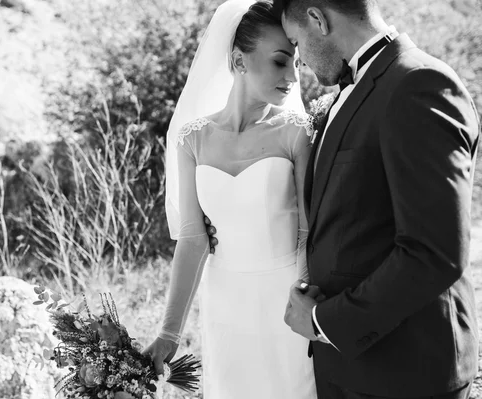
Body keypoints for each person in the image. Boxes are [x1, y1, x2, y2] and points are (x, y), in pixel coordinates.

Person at [275, 0, 480, 398]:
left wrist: (323, 321)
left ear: (318, 19)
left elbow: (434, 252)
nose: (299, 62)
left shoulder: (419, 84)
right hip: (353, 366)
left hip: (406, 371)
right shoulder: (357, 89)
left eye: (297, 43)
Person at [143, 1, 318, 398]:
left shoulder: (296, 133)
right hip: (225, 305)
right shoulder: (192, 140)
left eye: (297, 63)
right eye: (279, 62)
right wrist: (169, 333)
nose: (292, 76)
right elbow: (192, 240)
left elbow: (310, 230)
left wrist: (305, 299)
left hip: (287, 301)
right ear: (239, 61)